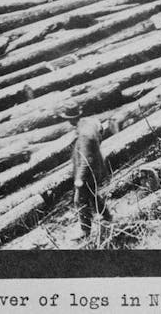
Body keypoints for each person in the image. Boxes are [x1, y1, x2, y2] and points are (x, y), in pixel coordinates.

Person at [63, 101, 112, 239]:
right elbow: (100, 126)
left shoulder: (84, 135)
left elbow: (85, 160)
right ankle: (107, 217)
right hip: (97, 167)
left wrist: (79, 179)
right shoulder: (89, 123)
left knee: (79, 200)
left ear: (72, 119)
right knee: (92, 195)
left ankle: (85, 231)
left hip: (89, 172)